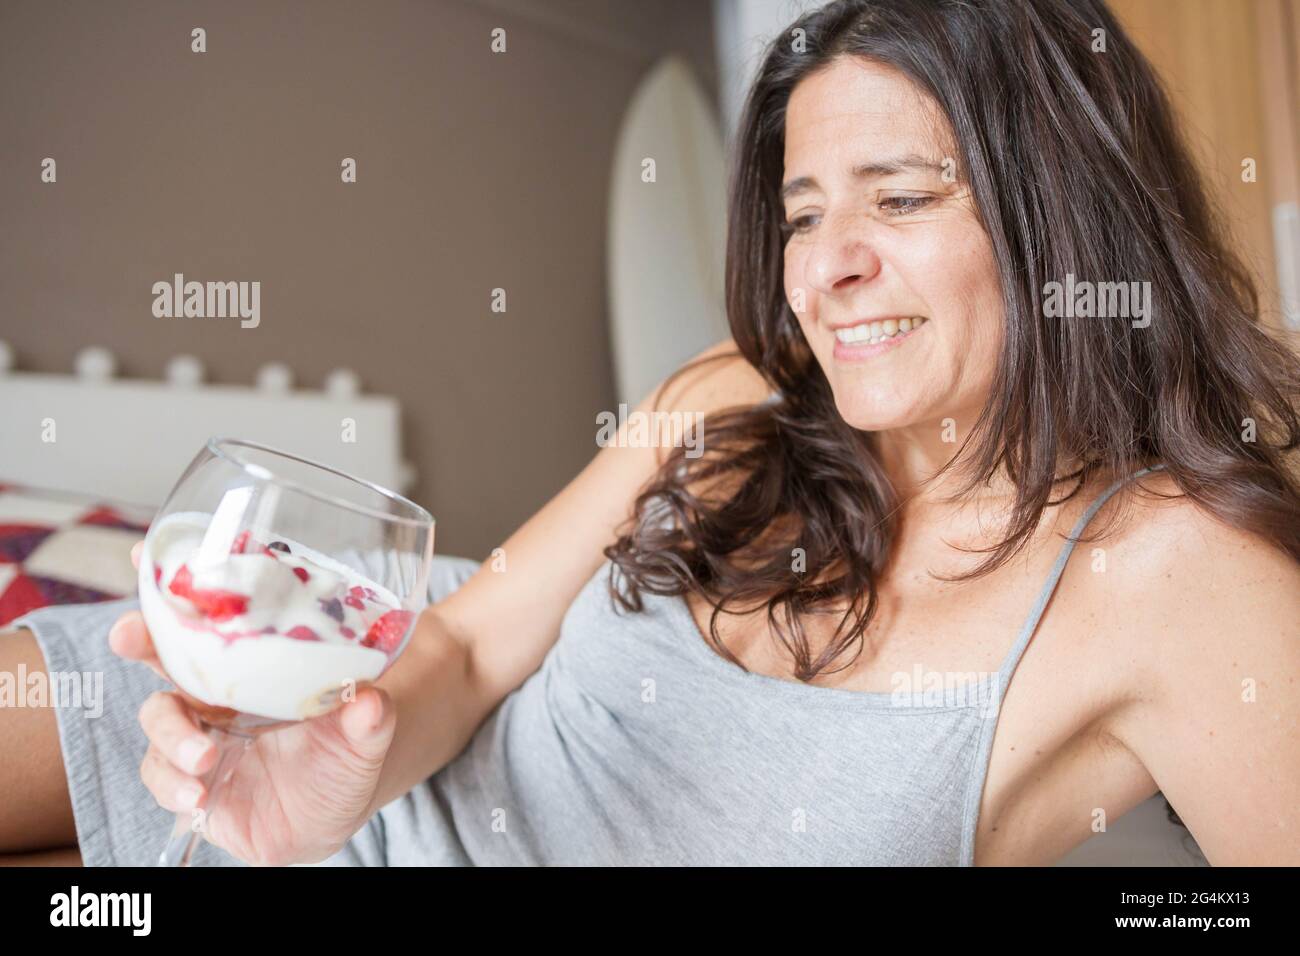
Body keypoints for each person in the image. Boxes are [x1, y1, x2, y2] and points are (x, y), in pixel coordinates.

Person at [3, 0, 1298, 866]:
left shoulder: (1174, 578)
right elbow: (461, 640)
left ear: (1066, 221)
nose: (823, 269)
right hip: (310, 748)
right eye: (799, 215)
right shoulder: (729, 398)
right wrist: (347, 767)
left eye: (898, 198)